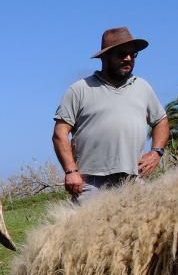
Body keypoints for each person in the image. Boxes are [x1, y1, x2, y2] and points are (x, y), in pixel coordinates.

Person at [53, 26, 169, 202]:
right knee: (87, 230)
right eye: (122, 54)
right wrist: (71, 171)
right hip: (90, 184)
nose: (128, 58)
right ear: (105, 56)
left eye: (133, 54)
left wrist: (156, 152)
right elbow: (60, 134)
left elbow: (161, 121)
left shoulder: (143, 87)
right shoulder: (79, 90)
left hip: (132, 180)